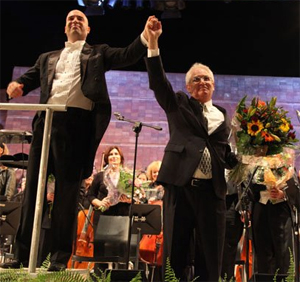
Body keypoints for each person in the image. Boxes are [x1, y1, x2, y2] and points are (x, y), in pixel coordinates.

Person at [1, 9, 159, 271]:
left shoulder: (97, 53)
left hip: (76, 126)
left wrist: (146, 36)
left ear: (88, 30)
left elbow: (126, 54)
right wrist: (15, 85)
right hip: (45, 125)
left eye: (80, 20)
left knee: (67, 195)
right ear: (65, 28)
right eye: (70, 19)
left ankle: (59, 259)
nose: (75, 21)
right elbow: (25, 81)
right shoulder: (47, 58)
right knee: (33, 193)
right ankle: (21, 254)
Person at [144, 20, 238, 281]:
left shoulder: (222, 114)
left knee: (212, 253)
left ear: (214, 85)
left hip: (213, 192)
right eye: (196, 79)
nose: (203, 82)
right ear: (188, 87)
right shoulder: (178, 104)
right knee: (176, 249)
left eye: (207, 79)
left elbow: (223, 152)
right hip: (181, 186)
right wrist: (153, 44)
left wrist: (245, 156)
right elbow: (158, 82)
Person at [87, 145, 132, 275]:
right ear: (107, 159)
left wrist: (128, 199)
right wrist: (99, 202)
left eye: (116, 154)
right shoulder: (100, 176)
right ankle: (99, 276)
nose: (113, 156)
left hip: (121, 216)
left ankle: (121, 276)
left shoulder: (127, 176)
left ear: (121, 158)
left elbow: (135, 196)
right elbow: (90, 195)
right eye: (111, 154)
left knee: (121, 249)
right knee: (101, 250)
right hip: (103, 216)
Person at [250, 170, 300, 276]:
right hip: (261, 209)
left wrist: (283, 194)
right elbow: (250, 187)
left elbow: (295, 193)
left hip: (281, 211)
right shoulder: (256, 163)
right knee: (263, 255)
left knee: (283, 254)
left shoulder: (284, 161)